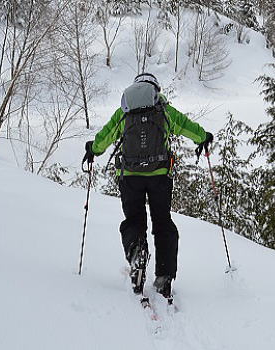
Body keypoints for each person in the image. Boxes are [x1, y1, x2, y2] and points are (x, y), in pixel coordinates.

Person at [83, 72, 212, 299]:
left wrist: (92, 149)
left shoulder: (123, 112)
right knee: (163, 223)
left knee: (133, 220)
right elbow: (186, 126)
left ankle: (136, 252)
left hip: (130, 175)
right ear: (155, 89)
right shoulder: (163, 110)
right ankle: (164, 276)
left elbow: (104, 139)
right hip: (160, 175)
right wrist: (203, 137)